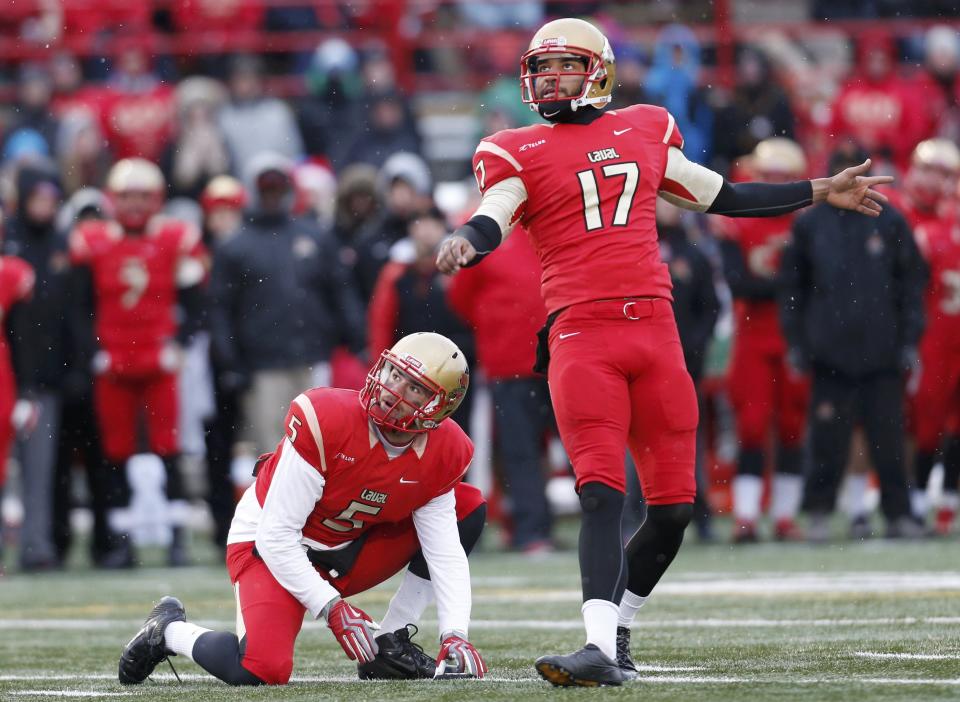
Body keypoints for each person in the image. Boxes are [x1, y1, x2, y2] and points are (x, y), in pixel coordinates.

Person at [435, 17, 894, 687]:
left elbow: (725, 195)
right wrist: (468, 240)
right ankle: (594, 646)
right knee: (599, 492)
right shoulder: (517, 148)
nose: (548, 79)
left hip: (656, 331)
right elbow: (496, 208)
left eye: (563, 65)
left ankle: (618, 625)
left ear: (598, 71)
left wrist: (821, 190)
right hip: (581, 334)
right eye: (542, 68)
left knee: (676, 508)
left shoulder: (643, 129)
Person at [117, 332, 488, 686]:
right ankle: (167, 631)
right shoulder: (328, 419)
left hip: (348, 545)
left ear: (439, 407)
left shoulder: (446, 450)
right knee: (260, 669)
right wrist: (331, 607)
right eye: (395, 374)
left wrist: (455, 634)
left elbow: (444, 550)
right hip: (270, 546)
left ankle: (391, 644)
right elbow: (276, 535)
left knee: (467, 506)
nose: (394, 390)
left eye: (415, 387)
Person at [778, 143, 927, 543]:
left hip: (883, 349)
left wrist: (910, 337)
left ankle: (898, 513)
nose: (850, 180)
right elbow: (792, 288)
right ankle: (820, 514)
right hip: (829, 351)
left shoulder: (889, 219)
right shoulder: (809, 225)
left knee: (889, 438)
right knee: (826, 439)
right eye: (843, 171)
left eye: (856, 172)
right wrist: (797, 340)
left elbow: (912, 283)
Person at [69, 158, 208, 568]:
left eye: (142, 196)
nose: (133, 204)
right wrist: (91, 350)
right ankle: (121, 542)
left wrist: (179, 342)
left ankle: (176, 538)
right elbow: (77, 307)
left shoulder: (175, 236)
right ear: (112, 199)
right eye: (126, 196)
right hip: (112, 359)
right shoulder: (92, 239)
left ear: (157, 199)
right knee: (116, 454)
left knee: (168, 449)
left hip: (158, 358)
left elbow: (197, 302)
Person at [713, 138, 810, 543]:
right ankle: (747, 516)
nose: (771, 186)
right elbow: (739, 285)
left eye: (779, 179)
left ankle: (785, 517)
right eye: (765, 177)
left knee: (792, 425)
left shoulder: (806, 223)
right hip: (753, 333)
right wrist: (787, 289)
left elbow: (811, 284)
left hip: (793, 335)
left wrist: (782, 290)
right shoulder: (739, 220)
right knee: (751, 426)